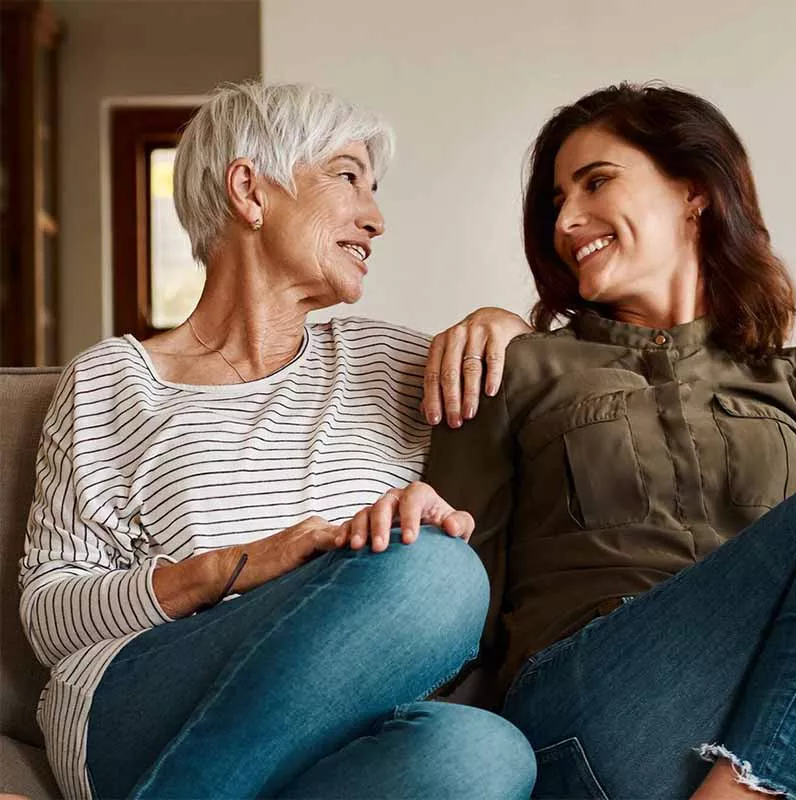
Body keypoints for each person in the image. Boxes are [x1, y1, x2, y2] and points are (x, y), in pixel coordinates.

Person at [19, 81, 535, 800]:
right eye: (348, 176)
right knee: (439, 576)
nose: (376, 218)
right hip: (139, 701)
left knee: (481, 754)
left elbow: (538, 376)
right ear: (249, 190)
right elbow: (50, 615)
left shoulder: (392, 363)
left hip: (325, 734)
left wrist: (503, 324)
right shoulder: (115, 380)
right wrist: (244, 566)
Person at [422, 83, 796, 799]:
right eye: (557, 199)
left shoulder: (789, 378)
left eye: (596, 182)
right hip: (590, 715)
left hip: (757, 711)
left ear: (694, 190)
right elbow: (455, 591)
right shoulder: (515, 366)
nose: (567, 218)